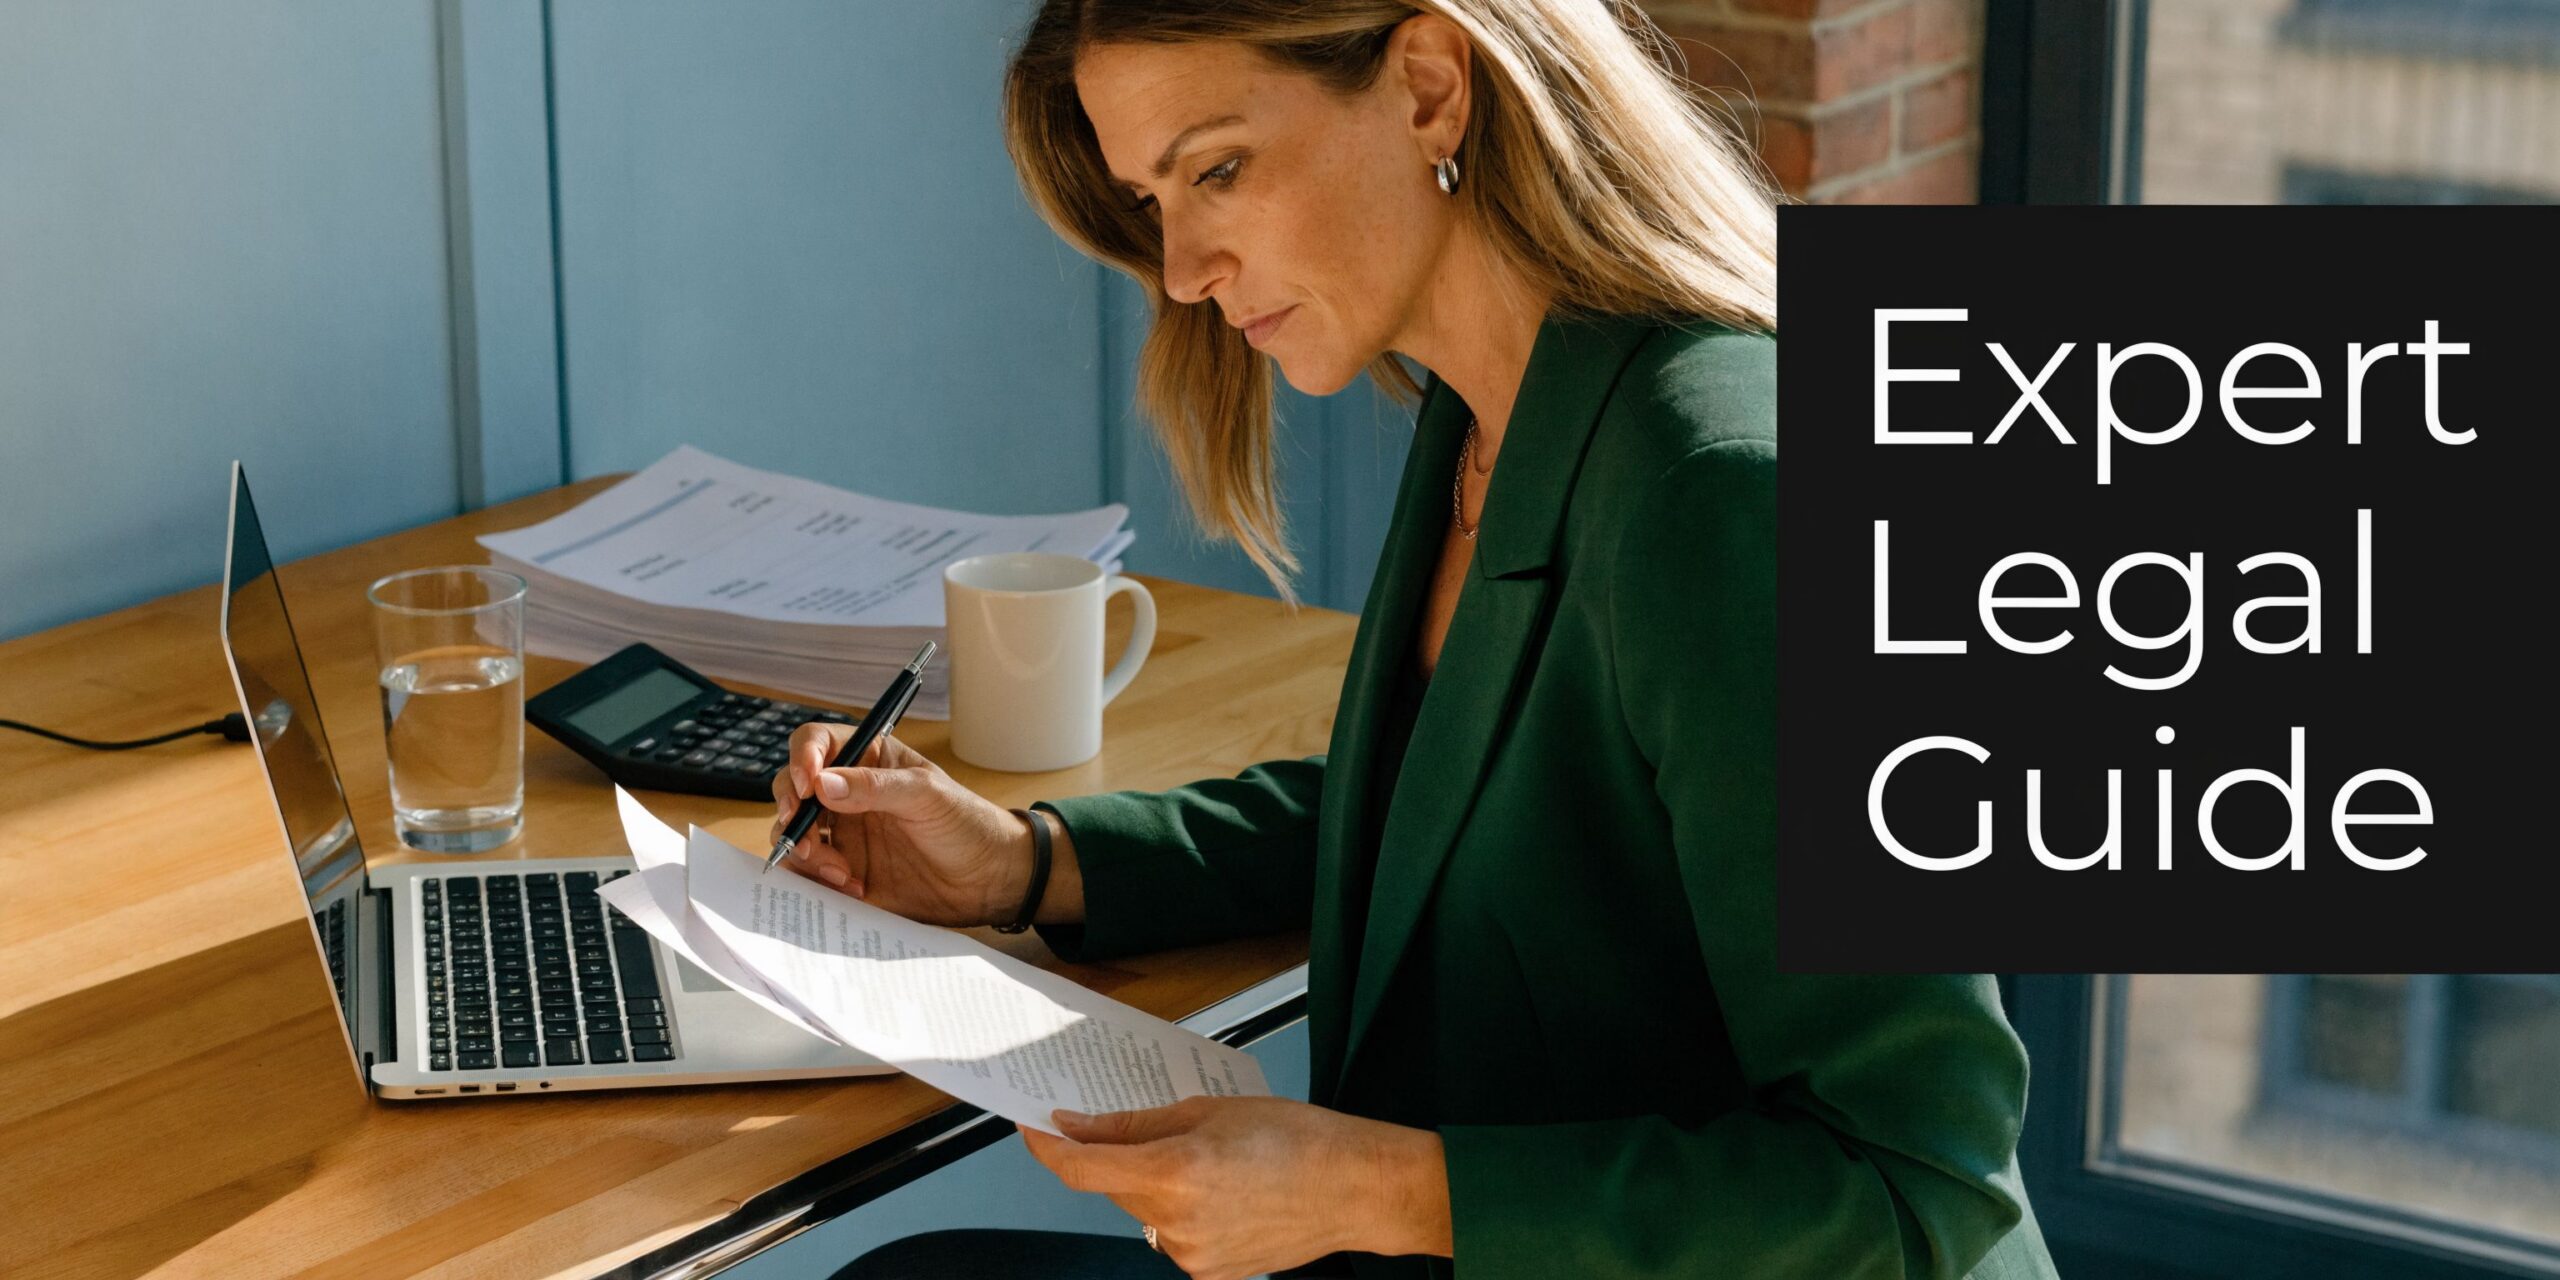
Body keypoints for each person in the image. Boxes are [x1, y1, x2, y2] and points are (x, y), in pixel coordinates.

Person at [787, 2, 2061, 1278]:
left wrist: (1375, 1189)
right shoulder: (1487, 406)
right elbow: (1451, 808)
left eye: (1217, 171)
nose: (1179, 270)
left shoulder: (1720, 487)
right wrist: (1023, 866)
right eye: (1151, 200)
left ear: (1431, 89)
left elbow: (1920, 1190)